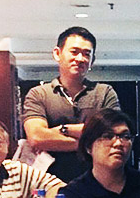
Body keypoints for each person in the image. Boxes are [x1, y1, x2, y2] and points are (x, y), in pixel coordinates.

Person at [22, 26, 121, 183]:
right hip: (49, 183)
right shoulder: (38, 94)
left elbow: (111, 134)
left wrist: (63, 129)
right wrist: (92, 141)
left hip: (98, 182)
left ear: (92, 60)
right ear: (57, 53)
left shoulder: (104, 93)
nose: (80, 58)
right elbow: (37, 138)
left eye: (86, 54)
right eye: (74, 52)